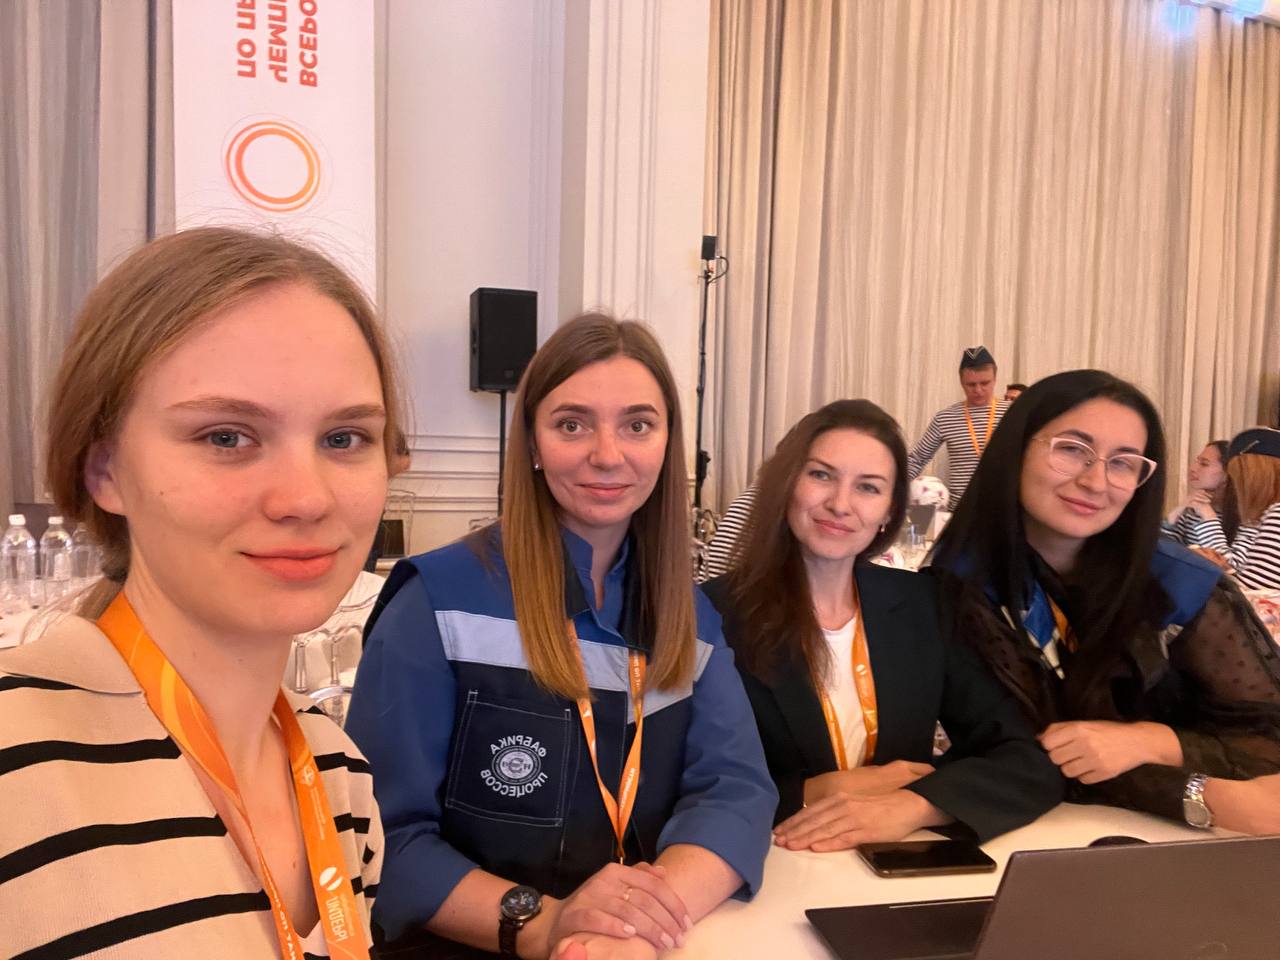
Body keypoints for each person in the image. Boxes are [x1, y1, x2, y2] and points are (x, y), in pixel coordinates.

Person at [0, 227, 398, 957]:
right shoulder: (14, 760)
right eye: (226, 437)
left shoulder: (342, 777)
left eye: (344, 439)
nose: (306, 498)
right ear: (104, 471)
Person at [346, 314, 776, 960]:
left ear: (667, 444)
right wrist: (547, 924)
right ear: (533, 444)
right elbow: (377, 836)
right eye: (572, 424)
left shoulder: (689, 615)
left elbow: (735, 790)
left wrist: (633, 927)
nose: (608, 454)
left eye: (638, 425)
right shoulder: (436, 601)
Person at [701, 400, 1062, 853]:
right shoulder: (711, 614)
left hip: (895, 867)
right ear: (787, 483)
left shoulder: (924, 604)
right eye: (821, 475)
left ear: (890, 510)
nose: (840, 504)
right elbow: (675, 785)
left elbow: (1023, 755)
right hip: (769, 861)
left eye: (868, 488)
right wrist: (813, 793)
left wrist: (916, 806)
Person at [931, 370, 1280, 826]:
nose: (1096, 481)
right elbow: (1023, 753)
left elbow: (1267, 743)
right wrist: (1206, 797)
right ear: (1015, 449)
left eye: (1123, 462)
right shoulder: (961, 580)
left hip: (1172, 841)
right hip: (1028, 831)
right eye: (1071, 449)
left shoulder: (1180, 585)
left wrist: (1150, 742)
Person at [908, 346, 1011, 509]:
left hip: (1004, 508)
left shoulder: (1013, 413)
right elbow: (917, 459)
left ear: (995, 379)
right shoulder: (945, 418)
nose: (978, 390)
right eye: (971, 384)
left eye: (985, 383)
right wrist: (892, 489)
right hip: (960, 511)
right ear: (961, 383)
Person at [1182, 429, 1280, 589]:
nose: (1235, 487)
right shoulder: (1262, 515)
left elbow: (1251, 592)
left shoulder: (1275, 514)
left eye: (1238, 477)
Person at [1163, 440, 1228, 545]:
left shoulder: (1248, 518)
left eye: (1204, 464)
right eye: (1196, 461)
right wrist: (1175, 514)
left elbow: (1223, 556)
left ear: (1227, 473)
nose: (1192, 468)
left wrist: (1209, 518)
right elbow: (1162, 549)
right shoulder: (1192, 509)